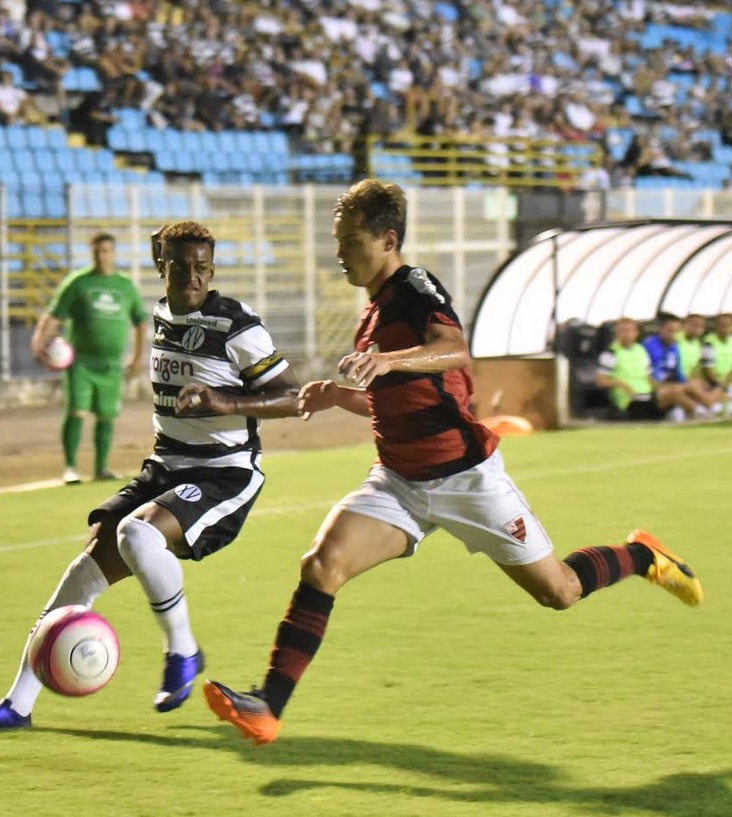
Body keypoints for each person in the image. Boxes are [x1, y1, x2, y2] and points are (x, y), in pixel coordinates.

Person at [201, 180, 703, 746]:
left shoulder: (415, 287)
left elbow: (455, 349)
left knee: (558, 590)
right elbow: (405, 397)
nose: (339, 252)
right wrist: (342, 396)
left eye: (349, 240)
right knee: (322, 565)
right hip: (397, 482)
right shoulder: (374, 312)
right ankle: (268, 705)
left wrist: (386, 361)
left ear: (388, 239)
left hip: (465, 477)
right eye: (337, 240)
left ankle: (642, 555)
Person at [0, 221, 303, 733]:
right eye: (180, 266)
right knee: (82, 572)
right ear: (161, 265)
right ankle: (18, 705)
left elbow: (293, 398)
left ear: (213, 268)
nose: (192, 277)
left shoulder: (236, 325)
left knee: (137, 535)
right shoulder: (162, 313)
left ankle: (183, 652)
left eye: (202, 268)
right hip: (166, 466)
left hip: (223, 474)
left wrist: (221, 400)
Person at [30, 232, 147, 485]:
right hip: (81, 362)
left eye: (106, 251)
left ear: (114, 253)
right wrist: (39, 342)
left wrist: (137, 357)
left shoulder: (125, 286)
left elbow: (140, 322)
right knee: (77, 411)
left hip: (112, 365)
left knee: (107, 415)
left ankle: (101, 467)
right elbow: (54, 315)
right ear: (91, 252)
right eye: (97, 251)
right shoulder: (78, 283)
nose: (101, 256)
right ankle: (70, 467)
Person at [596, 318, 698, 422]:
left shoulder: (640, 350)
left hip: (648, 395)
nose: (627, 334)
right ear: (617, 333)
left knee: (676, 389)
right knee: (672, 395)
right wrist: (621, 384)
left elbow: (648, 377)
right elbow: (601, 381)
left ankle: (692, 414)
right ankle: (701, 415)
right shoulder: (610, 354)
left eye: (630, 331)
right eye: (623, 331)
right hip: (630, 400)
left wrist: (662, 387)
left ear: (636, 333)